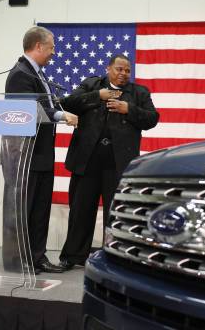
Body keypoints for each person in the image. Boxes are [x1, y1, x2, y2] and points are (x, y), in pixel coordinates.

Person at [58, 54, 159, 269]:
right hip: (87, 161)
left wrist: (128, 109)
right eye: (119, 69)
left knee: (116, 214)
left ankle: (115, 258)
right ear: (108, 68)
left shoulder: (139, 93)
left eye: (127, 71)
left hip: (118, 163)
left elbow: (152, 119)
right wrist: (98, 96)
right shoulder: (91, 85)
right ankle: (73, 256)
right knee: (80, 211)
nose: (123, 74)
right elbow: (68, 103)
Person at [2, 26, 78, 274]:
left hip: (41, 154)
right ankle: (19, 259)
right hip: (24, 155)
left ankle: (37, 257)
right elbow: (29, 111)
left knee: (40, 210)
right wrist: (60, 115)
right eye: (51, 47)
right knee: (23, 210)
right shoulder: (20, 74)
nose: (54, 52)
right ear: (38, 46)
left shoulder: (40, 73)